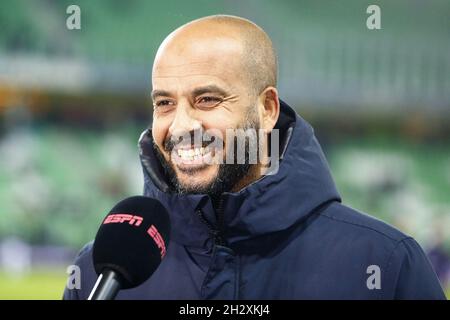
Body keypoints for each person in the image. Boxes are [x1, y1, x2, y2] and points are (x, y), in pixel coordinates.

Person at [64, 15, 446, 299]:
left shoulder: (386, 263)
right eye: (164, 103)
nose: (179, 126)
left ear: (267, 109)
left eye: (207, 99)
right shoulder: (101, 273)